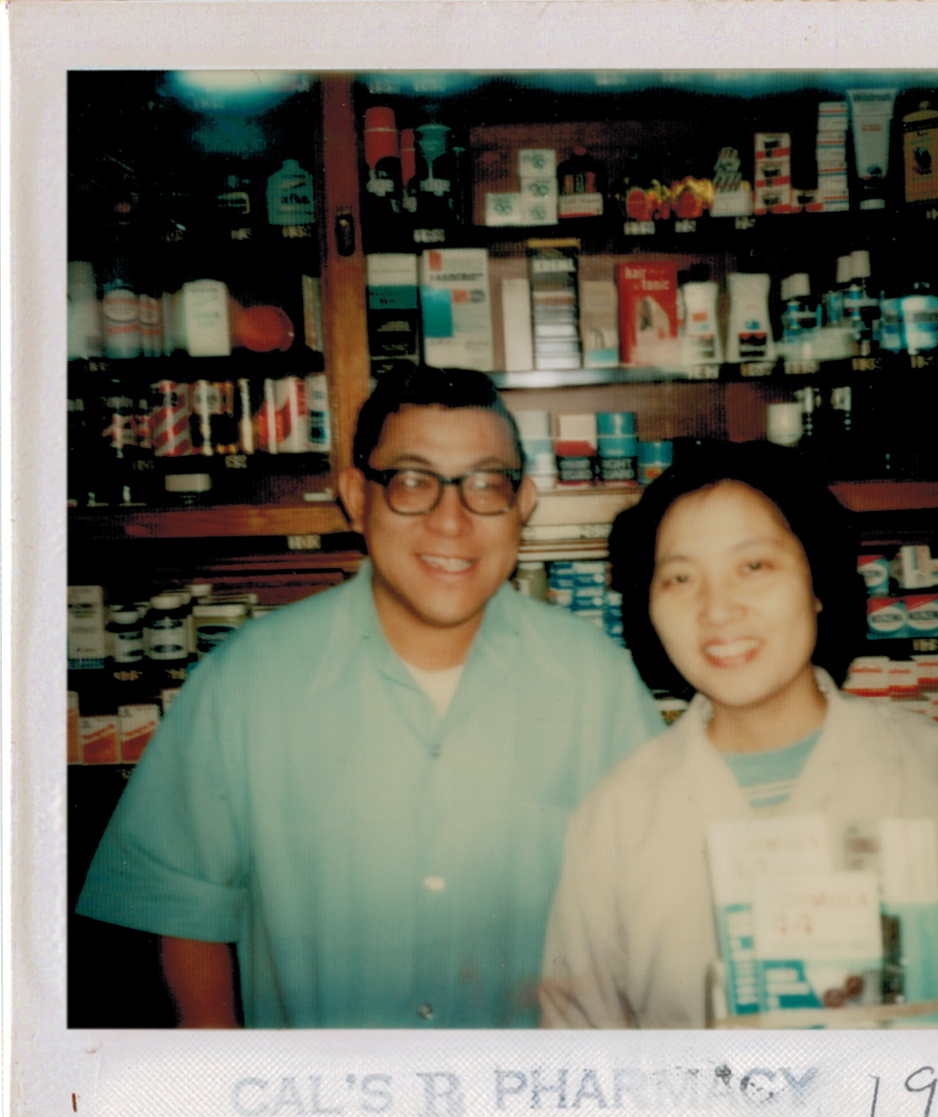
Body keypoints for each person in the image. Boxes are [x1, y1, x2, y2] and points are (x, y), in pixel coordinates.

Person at [77, 367, 661, 1028]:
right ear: (357, 496)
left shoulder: (596, 683)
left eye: (485, 484)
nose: (451, 521)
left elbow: (660, 909)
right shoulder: (243, 683)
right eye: (412, 481)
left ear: (523, 502)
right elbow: (187, 912)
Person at [540, 443, 938, 1029]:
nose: (718, 609)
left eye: (753, 566)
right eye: (680, 578)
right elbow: (582, 1045)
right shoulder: (613, 822)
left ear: (817, 582)